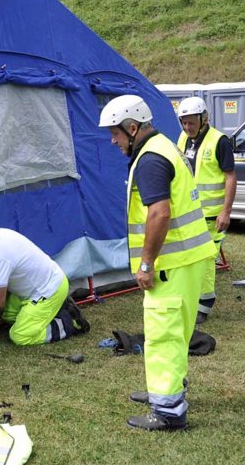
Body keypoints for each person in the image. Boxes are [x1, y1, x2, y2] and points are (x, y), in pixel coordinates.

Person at [98, 95, 216, 431]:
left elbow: (160, 212)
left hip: (171, 264)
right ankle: (169, 391)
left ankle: (167, 411)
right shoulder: (164, 145)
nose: (113, 140)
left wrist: (146, 264)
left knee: (163, 334)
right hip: (190, 259)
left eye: (115, 133)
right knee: (177, 332)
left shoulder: (150, 159)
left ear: (132, 128)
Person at [0, 218, 88, 346]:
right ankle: (56, 309)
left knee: (19, 335)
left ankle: (68, 321)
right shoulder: (0, 233)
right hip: (43, 284)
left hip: (50, 289)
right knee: (7, 314)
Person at [175, 96, 236, 324]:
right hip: (188, 213)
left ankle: (204, 304)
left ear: (204, 119)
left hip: (212, 215)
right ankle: (191, 298)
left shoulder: (219, 141)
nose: (187, 127)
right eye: (184, 122)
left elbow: (230, 177)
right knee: (189, 258)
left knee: (206, 259)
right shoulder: (182, 138)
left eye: (191, 122)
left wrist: (226, 212)